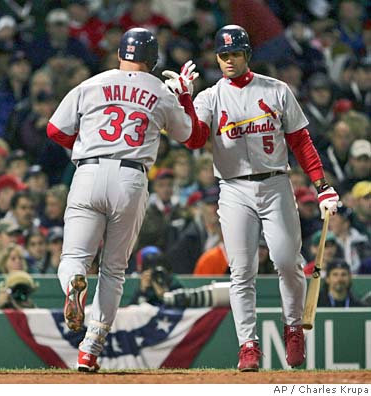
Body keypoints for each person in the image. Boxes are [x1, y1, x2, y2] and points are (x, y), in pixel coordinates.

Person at [46, 27, 203, 372]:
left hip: (87, 171)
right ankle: (90, 349)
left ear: (121, 54)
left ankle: (74, 285)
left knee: (73, 257)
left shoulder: (91, 84)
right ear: (153, 59)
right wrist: (185, 98)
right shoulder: (161, 91)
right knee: (114, 270)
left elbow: (54, 130)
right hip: (130, 177)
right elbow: (193, 138)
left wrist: (86, 148)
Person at [190, 25, 340, 371]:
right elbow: (195, 140)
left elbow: (301, 140)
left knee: (288, 261)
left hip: (275, 183)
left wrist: (322, 185)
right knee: (241, 269)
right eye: (224, 55)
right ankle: (248, 345)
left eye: (235, 53)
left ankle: (292, 327)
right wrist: (184, 100)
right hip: (233, 187)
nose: (229, 60)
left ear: (247, 55)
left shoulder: (276, 90)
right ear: (217, 57)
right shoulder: (210, 96)